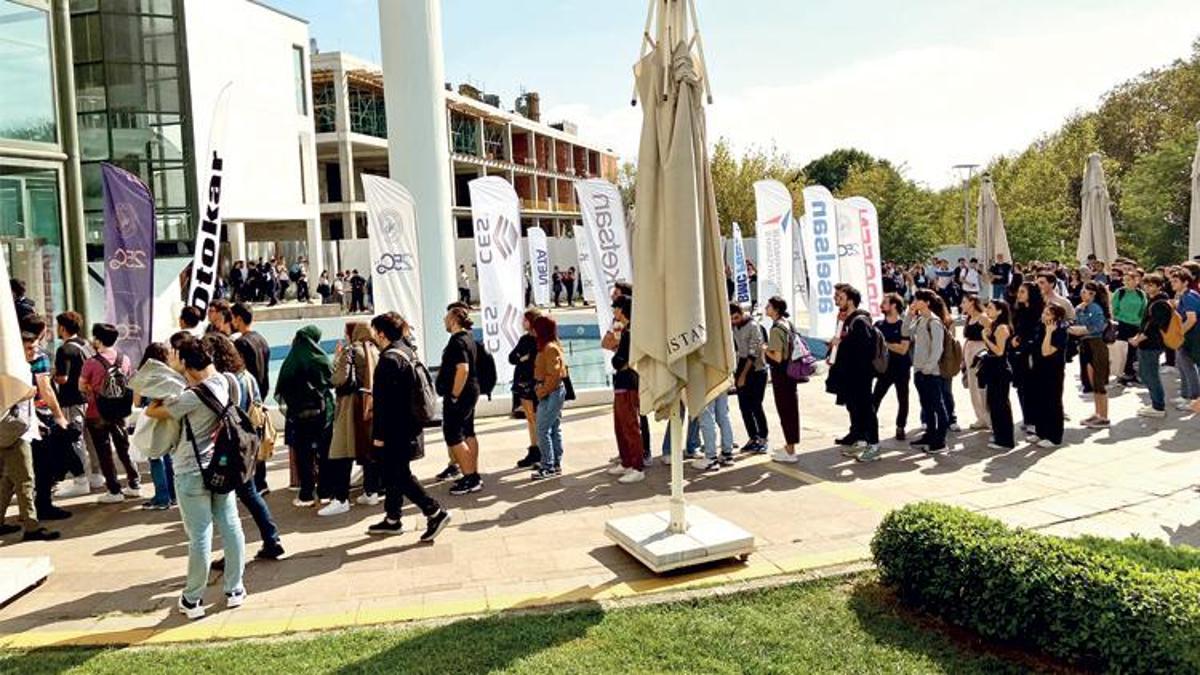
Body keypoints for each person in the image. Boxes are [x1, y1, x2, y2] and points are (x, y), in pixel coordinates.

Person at [143, 335, 246, 620]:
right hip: (223, 465)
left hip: (191, 470)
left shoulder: (189, 397)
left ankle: (192, 599)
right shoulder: (227, 381)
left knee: (200, 535)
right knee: (230, 524)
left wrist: (173, 374)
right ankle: (235, 589)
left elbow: (153, 411)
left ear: (186, 362)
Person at [365, 312, 451, 541]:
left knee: (398, 474)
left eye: (375, 332)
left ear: (381, 334)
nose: (374, 336)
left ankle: (434, 512)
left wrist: (379, 436)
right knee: (394, 473)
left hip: (395, 430)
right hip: (410, 425)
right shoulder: (407, 351)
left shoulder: (388, 360)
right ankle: (393, 519)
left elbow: (384, 404)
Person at [204, 334, 284, 561]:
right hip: (247, 439)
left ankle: (236, 551)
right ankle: (271, 539)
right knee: (249, 493)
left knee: (227, 500)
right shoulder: (246, 376)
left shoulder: (225, 380)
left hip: (230, 444)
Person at [0, 331, 61, 541]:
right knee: (25, 479)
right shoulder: (12, 370)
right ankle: (32, 526)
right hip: (14, 430)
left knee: (9, 480)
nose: (34, 352)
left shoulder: (20, 368)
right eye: (29, 348)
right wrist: (25, 393)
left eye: (35, 347)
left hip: (19, 428)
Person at [80, 322, 140, 503]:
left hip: (97, 412)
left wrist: (93, 388)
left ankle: (114, 491)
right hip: (120, 410)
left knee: (104, 451)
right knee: (124, 448)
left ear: (97, 340)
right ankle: (134, 484)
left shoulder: (91, 362)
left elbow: (81, 386)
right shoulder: (125, 359)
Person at [276, 326, 334, 508]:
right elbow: (332, 380)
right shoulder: (321, 358)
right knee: (324, 453)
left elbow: (282, 387)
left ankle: (306, 493)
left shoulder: (290, 360)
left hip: (300, 416)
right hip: (323, 415)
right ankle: (325, 491)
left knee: (303, 455)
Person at [21, 315, 71, 523]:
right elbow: (46, 389)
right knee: (43, 465)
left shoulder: (10, 354)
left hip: (15, 417)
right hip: (36, 417)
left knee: (14, 470)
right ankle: (42, 506)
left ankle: (30, 510)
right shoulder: (39, 356)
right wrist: (59, 416)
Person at [326, 322, 379, 515]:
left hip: (350, 406)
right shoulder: (375, 350)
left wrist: (337, 358)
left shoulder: (351, 350)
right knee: (367, 449)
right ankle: (371, 491)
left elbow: (338, 379)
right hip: (370, 404)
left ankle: (341, 499)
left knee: (341, 451)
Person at [826, 286, 880, 461]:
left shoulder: (860, 321)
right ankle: (860, 440)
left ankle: (874, 445)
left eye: (839, 297)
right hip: (849, 374)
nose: (836, 299)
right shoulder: (847, 320)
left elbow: (864, 348)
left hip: (860, 375)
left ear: (850, 300)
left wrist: (841, 343)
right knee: (854, 408)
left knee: (865, 409)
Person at [52, 311, 98, 497]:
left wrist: (53, 374)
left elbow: (62, 379)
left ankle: (80, 480)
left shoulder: (64, 350)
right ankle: (96, 475)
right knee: (91, 438)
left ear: (62, 328)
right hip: (90, 398)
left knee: (74, 438)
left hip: (72, 399)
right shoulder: (86, 345)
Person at [439, 303, 483, 495]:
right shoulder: (469, 338)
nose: (444, 321)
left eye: (447, 318)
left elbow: (462, 369)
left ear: (455, 320)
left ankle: (470, 477)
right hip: (472, 390)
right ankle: (473, 474)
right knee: (468, 432)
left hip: (462, 394)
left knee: (454, 434)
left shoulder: (457, 341)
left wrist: (455, 394)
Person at [134, 342, 176, 511]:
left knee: (155, 458)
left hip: (152, 418)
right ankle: (173, 495)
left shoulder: (144, 374)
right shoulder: (171, 373)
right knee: (169, 457)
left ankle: (162, 497)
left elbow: (137, 402)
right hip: (168, 416)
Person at [608, 296, 645, 483]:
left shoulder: (630, 333)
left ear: (622, 309)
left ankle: (637, 466)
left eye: (615, 307)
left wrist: (617, 361)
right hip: (622, 382)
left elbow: (621, 361)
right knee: (620, 425)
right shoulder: (625, 331)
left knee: (629, 425)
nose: (613, 310)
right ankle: (627, 462)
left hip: (629, 384)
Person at [907, 289, 948, 453]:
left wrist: (928, 368)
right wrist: (909, 314)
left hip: (931, 372)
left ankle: (941, 440)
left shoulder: (934, 322)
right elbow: (906, 332)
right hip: (919, 370)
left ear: (927, 303)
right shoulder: (920, 320)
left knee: (938, 405)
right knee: (927, 405)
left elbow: (937, 349)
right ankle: (930, 435)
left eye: (917, 300)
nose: (914, 302)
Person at [531, 314, 568, 480]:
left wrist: (542, 390)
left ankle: (548, 465)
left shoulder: (549, 348)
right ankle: (554, 462)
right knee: (552, 428)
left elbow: (554, 375)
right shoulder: (550, 346)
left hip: (550, 393)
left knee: (542, 429)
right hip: (551, 392)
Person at [1130, 273, 1173, 418]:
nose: (1148, 288)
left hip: (1152, 344)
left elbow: (1153, 327)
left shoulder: (1160, 303)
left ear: (1159, 286)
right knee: (1144, 373)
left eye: (1151, 285)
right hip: (1147, 342)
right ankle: (1156, 403)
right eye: (1146, 285)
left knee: (1151, 375)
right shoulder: (1154, 300)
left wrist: (1138, 339)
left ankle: (1158, 406)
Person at [763, 296, 800, 463]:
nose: (766, 308)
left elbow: (777, 357)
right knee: (791, 411)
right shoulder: (788, 323)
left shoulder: (776, 329)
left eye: (769, 306)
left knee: (785, 412)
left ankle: (790, 451)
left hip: (782, 375)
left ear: (775, 309)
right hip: (791, 373)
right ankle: (790, 446)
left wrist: (764, 349)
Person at [1070, 281, 1112, 428]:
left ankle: (1104, 416)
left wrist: (1082, 330)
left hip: (1096, 344)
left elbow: (1098, 326)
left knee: (1099, 381)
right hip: (1086, 344)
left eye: (1086, 291)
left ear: (1093, 294)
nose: (1082, 293)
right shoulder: (1084, 306)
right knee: (1093, 381)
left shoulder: (1095, 308)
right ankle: (1098, 412)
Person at [872, 293, 911, 442]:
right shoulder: (878, 326)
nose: (881, 305)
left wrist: (885, 344)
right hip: (884, 369)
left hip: (901, 368)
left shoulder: (903, 325)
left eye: (885, 302)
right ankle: (869, 426)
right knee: (875, 398)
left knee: (903, 398)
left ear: (894, 305)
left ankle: (900, 427)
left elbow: (903, 349)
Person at [1028, 304, 1068, 448]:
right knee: (1039, 400)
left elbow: (1046, 351)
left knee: (1052, 402)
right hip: (1039, 369)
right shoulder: (1040, 327)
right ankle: (1040, 432)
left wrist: (1049, 333)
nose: (1044, 316)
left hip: (1053, 371)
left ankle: (1054, 436)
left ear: (1056, 318)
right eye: (1044, 312)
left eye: (1048, 314)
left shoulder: (1060, 332)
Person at [730, 303, 768, 453]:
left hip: (756, 369)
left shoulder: (753, 326)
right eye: (732, 319)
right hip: (741, 366)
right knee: (744, 407)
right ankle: (752, 437)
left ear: (741, 313)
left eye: (736, 317)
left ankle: (763, 438)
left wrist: (743, 376)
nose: (734, 321)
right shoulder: (733, 327)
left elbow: (754, 353)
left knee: (756, 406)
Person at [508, 309, 542, 469]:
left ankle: (543, 451)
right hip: (523, 383)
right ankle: (534, 448)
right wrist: (523, 358)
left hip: (537, 383)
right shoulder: (525, 339)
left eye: (525, 320)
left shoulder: (543, 340)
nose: (523, 323)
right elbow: (512, 358)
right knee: (530, 417)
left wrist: (524, 358)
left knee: (538, 418)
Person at [981, 300, 1015, 449]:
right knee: (993, 403)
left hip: (1000, 368)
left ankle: (1005, 440)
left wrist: (985, 338)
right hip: (993, 368)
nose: (987, 310)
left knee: (1000, 404)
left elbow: (999, 351)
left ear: (1000, 311)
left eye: (990, 308)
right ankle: (998, 434)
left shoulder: (1002, 327)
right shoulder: (994, 325)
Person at [1170, 269, 1200, 410]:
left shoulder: (1189, 296)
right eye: (1172, 280)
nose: (1172, 283)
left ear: (1186, 282)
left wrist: (1178, 334)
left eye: (1175, 281)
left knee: (1188, 368)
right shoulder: (1185, 295)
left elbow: (1191, 319)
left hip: (1192, 338)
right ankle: (1186, 395)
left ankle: (1194, 399)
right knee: (1182, 366)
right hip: (1188, 337)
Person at [1112, 268, 1147, 386]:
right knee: (1122, 350)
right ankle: (1121, 373)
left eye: (1129, 280)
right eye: (1124, 280)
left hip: (1136, 324)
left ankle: (1131, 373)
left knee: (1133, 351)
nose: (1126, 282)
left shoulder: (1140, 294)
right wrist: (1119, 317)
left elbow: (1144, 309)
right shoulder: (1120, 292)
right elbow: (1114, 308)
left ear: (1135, 281)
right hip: (1122, 324)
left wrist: (1140, 321)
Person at [961, 296, 991, 431]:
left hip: (980, 351)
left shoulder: (982, 318)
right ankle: (980, 417)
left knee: (982, 386)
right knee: (972, 386)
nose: (962, 305)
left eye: (964, 302)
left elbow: (993, 332)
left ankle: (988, 418)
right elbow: (967, 338)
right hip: (969, 351)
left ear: (972, 302)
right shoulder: (968, 318)